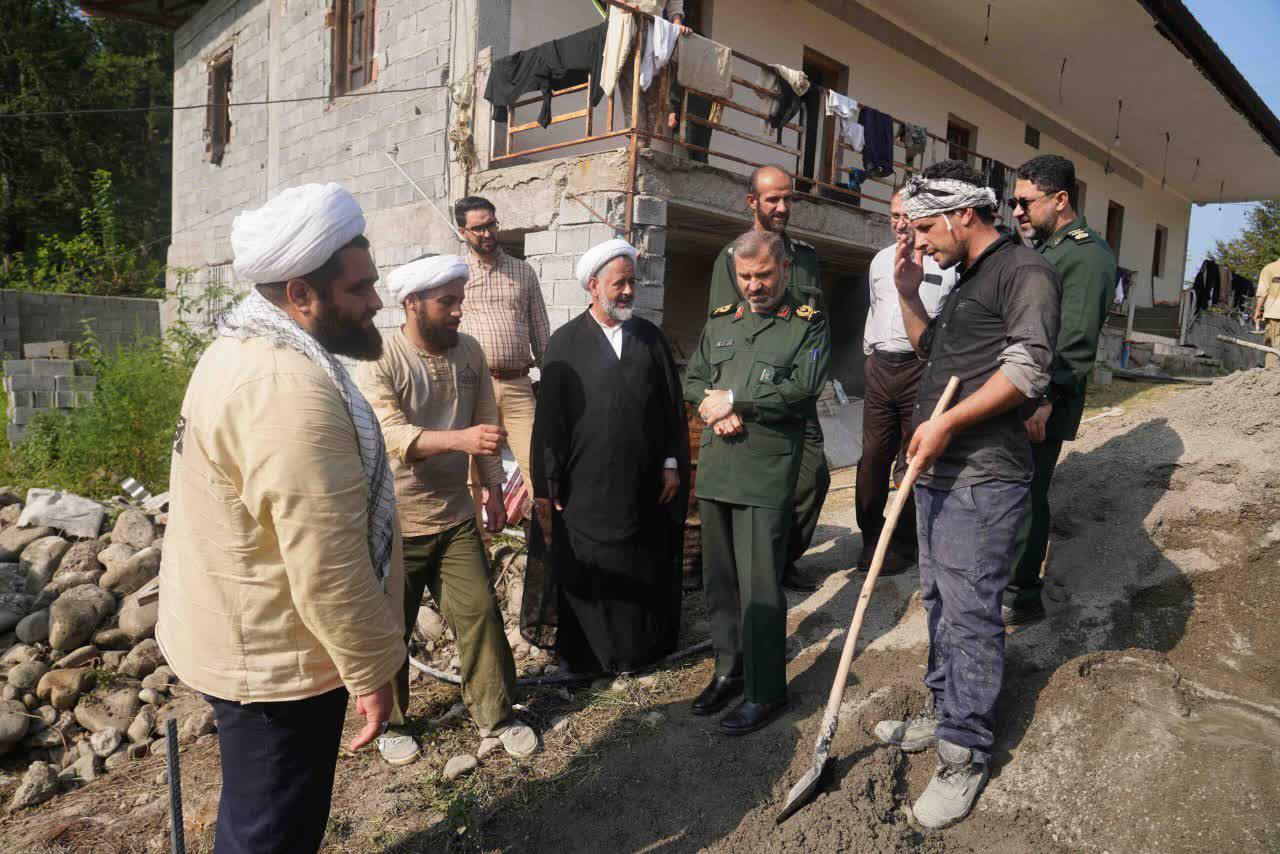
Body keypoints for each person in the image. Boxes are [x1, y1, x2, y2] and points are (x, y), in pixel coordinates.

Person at [157, 183, 405, 854]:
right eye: (360, 289)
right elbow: (328, 563)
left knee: (256, 815)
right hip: (277, 660)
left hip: (244, 632)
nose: (378, 301)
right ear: (301, 295)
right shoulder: (286, 391)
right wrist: (373, 673)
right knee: (271, 832)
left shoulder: (240, 346)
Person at [872, 161, 1060, 829]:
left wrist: (948, 422)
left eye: (924, 228)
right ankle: (943, 708)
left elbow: (1028, 367)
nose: (919, 243)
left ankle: (964, 753)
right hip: (940, 471)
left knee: (972, 612)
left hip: (984, 476)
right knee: (939, 601)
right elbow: (937, 357)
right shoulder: (967, 281)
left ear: (963, 216)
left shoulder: (1023, 272)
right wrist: (907, 294)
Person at [354, 254, 537, 765]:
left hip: (455, 515)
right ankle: (392, 722)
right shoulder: (381, 357)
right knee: (392, 626)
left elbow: (488, 423)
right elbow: (389, 433)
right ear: (412, 304)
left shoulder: (470, 352)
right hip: (395, 520)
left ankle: (497, 715)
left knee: (479, 613)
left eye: (460, 300)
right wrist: (461, 439)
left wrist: (494, 490)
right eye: (448, 302)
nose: (459, 312)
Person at [685, 229, 830, 735]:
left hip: (766, 472)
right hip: (718, 467)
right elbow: (695, 376)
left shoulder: (807, 325)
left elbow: (802, 389)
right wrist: (711, 403)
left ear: (785, 270)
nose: (753, 285)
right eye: (745, 277)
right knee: (720, 582)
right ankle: (729, 669)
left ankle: (767, 690)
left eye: (763, 275)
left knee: (761, 587)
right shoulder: (722, 322)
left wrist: (737, 404)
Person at [525, 238, 689, 675]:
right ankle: (587, 657)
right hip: (585, 486)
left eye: (633, 283)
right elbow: (551, 422)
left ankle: (640, 650)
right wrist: (551, 479)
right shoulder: (564, 342)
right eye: (620, 284)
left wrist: (672, 464)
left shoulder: (650, 339)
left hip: (643, 485)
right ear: (593, 286)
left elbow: (672, 409)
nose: (629, 292)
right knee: (591, 567)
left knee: (640, 561)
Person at [1003, 154, 1117, 625]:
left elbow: (1074, 337)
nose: (1016, 211)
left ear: (1060, 199)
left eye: (1025, 202)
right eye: (1014, 202)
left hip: (1044, 399)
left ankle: (1021, 592)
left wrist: (1044, 399)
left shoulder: (1085, 254)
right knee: (1015, 488)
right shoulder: (1052, 248)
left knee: (1028, 492)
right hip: (1026, 390)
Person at [704, 165, 829, 592]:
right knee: (757, 482)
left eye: (788, 198)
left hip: (795, 389)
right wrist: (725, 402)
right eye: (772, 199)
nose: (782, 207)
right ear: (752, 202)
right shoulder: (733, 257)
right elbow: (723, 331)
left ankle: (780, 556)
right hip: (748, 393)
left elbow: (813, 323)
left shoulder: (805, 257)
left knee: (814, 477)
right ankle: (757, 569)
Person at [857, 186, 957, 575]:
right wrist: (871, 357)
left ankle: (902, 544)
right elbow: (874, 308)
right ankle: (870, 540)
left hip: (922, 370)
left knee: (914, 459)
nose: (900, 223)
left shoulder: (943, 263)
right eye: (894, 214)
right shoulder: (880, 260)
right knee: (871, 459)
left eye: (908, 215)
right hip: (881, 367)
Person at [455, 195, 549, 522]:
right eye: (478, 228)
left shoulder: (523, 272)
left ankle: (544, 545)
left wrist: (549, 377)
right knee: (474, 472)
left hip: (519, 385)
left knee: (538, 464)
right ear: (462, 231)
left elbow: (540, 327)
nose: (487, 233)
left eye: (491, 225)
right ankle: (477, 548)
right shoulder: (456, 274)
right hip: (471, 385)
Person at [1253, 256, 1280, 352]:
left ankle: (1272, 367)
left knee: (1273, 347)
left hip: (1275, 314)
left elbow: (1262, 292)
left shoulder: (1269, 268)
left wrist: (1257, 311)